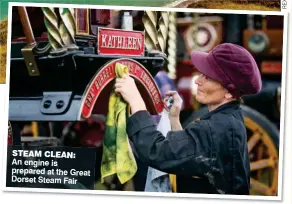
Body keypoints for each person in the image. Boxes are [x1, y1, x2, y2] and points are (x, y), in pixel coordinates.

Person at [114, 43, 262, 195]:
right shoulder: (230, 119)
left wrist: (136, 100)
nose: (198, 81)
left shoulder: (214, 129)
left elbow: (157, 152)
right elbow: (189, 157)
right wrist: (174, 119)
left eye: (208, 77)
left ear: (229, 93)